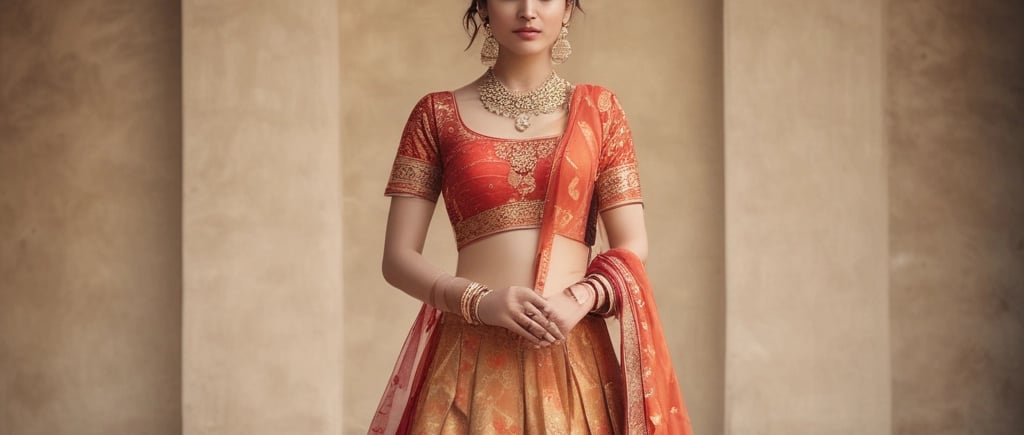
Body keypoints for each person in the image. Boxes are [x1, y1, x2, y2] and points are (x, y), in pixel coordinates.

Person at [369, 1, 693, 433]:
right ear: (482, 7)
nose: (527, 10)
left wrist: (577, 300)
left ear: (568, 9)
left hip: (572, 356)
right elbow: (398, 258)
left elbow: (633, 245)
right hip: (469, 355)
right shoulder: (436, 116)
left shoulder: (601, 114)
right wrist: (480, 301)